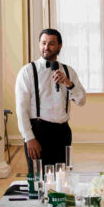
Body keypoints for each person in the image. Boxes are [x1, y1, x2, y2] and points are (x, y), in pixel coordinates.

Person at [15, 28, 86, 168]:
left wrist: (68, 83)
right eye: (43, 43)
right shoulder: (27, 71)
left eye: (51, 43)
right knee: (38, 180)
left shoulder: (68, 71)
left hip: (63, 132)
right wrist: (29, 138)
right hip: (38, 132)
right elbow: (21, 109)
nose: (46, 47)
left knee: (63, 178)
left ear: (60, 46)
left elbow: (81, 100)